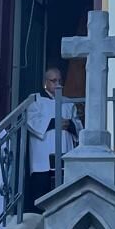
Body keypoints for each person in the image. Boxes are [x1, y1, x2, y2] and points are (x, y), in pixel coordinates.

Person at [26, 65, 79, 206]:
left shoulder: (68, 103)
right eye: (53, 81)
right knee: (42, 193)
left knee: (65, 193)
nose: (57, 84)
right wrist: (54, 122)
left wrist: (70, 125)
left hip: (65, 151)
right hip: (43, 156)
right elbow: (31, 121)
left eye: (60, 81)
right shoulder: (35, 100)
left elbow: (78, 126)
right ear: (45, 82)